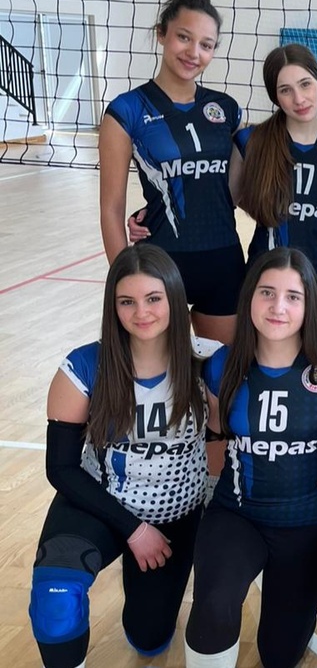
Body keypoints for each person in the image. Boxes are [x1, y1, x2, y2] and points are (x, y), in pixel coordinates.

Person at [29, 245, 208, 667]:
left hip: (174, 516)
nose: (141, 312)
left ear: (175, 298)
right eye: (127, 301)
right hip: (98, 504)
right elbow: (61, 468)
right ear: (113, 306)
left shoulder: (207, 362)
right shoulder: (83, 367)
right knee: (55, 600)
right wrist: (133, 529)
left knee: (149, 639)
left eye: (153, 298)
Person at [184, 248, 317, 668]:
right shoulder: (222, 365)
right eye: (267, 292)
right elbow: (219, 434)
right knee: (214, 604)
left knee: (280, 655)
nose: (278, 306)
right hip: (238, 514)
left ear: (309, 304)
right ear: (249, 297)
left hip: (306, 524)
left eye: (292, 296)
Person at [99, 0, 244, 345]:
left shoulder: (226, 109)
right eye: (183, 37)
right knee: (160, 373)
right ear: (161, 34)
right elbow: (111, 208)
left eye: (206, 45)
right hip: (160, 265)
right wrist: (126, 280)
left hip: (223, 262)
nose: (194, 52)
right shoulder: (126, 111)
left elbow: (237, 190)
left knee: (225, 372)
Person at [235, 43, 317, 339]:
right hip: (265, 277)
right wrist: (273, 211)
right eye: (285, 90)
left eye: (305, 84)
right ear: (275, 97)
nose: (299, 98)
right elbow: (224, 199)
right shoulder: (251, 141)